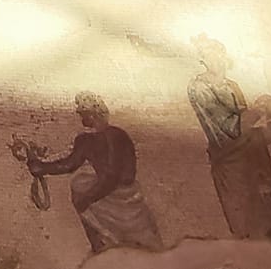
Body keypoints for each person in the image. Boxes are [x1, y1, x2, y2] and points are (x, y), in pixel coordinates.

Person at [14, 91, 162, 255]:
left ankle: (108, 249)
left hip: (116, 198)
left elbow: (106, 173)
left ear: (92, 114)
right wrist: (42, 167)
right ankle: (104, 249)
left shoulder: (102, 138)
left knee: (141, 244)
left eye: (82, 113)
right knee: (140, 243)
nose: (80, 117)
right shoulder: (103, 137)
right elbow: (73, 165)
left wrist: (87, 197)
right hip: (118, 198)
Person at [187, 35, 271, 251]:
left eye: (220, 55)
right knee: (245, 216)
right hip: (231, 161)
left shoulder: (232, 86)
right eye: (210, 57)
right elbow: (228, 126)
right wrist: (259, 110)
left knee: (268, 209)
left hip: (254, 156)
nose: (217, 61)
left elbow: (249, 128)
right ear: (202, 60)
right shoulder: (199, 88)